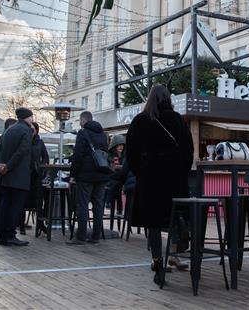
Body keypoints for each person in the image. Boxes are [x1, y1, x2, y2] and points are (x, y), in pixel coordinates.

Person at [126, 85, 194, 287]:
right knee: (175, 216)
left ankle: (157, 262)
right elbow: (188, 151)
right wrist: (179, 173)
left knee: (153, 223)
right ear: (168, 98)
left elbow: (131, 154)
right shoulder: (177, 120)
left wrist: (142, 172)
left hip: (150, 179)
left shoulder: (140, 120)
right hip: (174, 180)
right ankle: (175, 251)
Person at [67, 111, 111, 245]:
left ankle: (81, 236)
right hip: (101, 173)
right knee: (98, 206)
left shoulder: (83, 133)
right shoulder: (103, 134)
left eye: (80, 121)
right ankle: (96, 236)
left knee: (83, 205)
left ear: (83, 121)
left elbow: (78, 155)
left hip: (86, 175)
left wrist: (73, 175)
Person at [0, 108, 34, 246]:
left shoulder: (9, 130)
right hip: (18, 175)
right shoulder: (26, 130)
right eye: (31, 117)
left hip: (5, 176)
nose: (32, 119)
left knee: (5, 206)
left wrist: (1, 165)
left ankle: (2, 236)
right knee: (15, 207)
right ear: (27, 118)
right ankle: (10, 235)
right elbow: (22, 151)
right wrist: (9, 166)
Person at [21, 122, 49, 235]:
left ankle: (41, 224)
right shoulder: (25, 140)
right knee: (23, 200)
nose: (32, 131)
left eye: (33, 129)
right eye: (30, 129)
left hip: (36, 174)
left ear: (37, 130)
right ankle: (21, 225)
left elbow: (45, 156)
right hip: (25, 174)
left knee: (38, 200)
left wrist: (41, 166)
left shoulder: (40, 142)